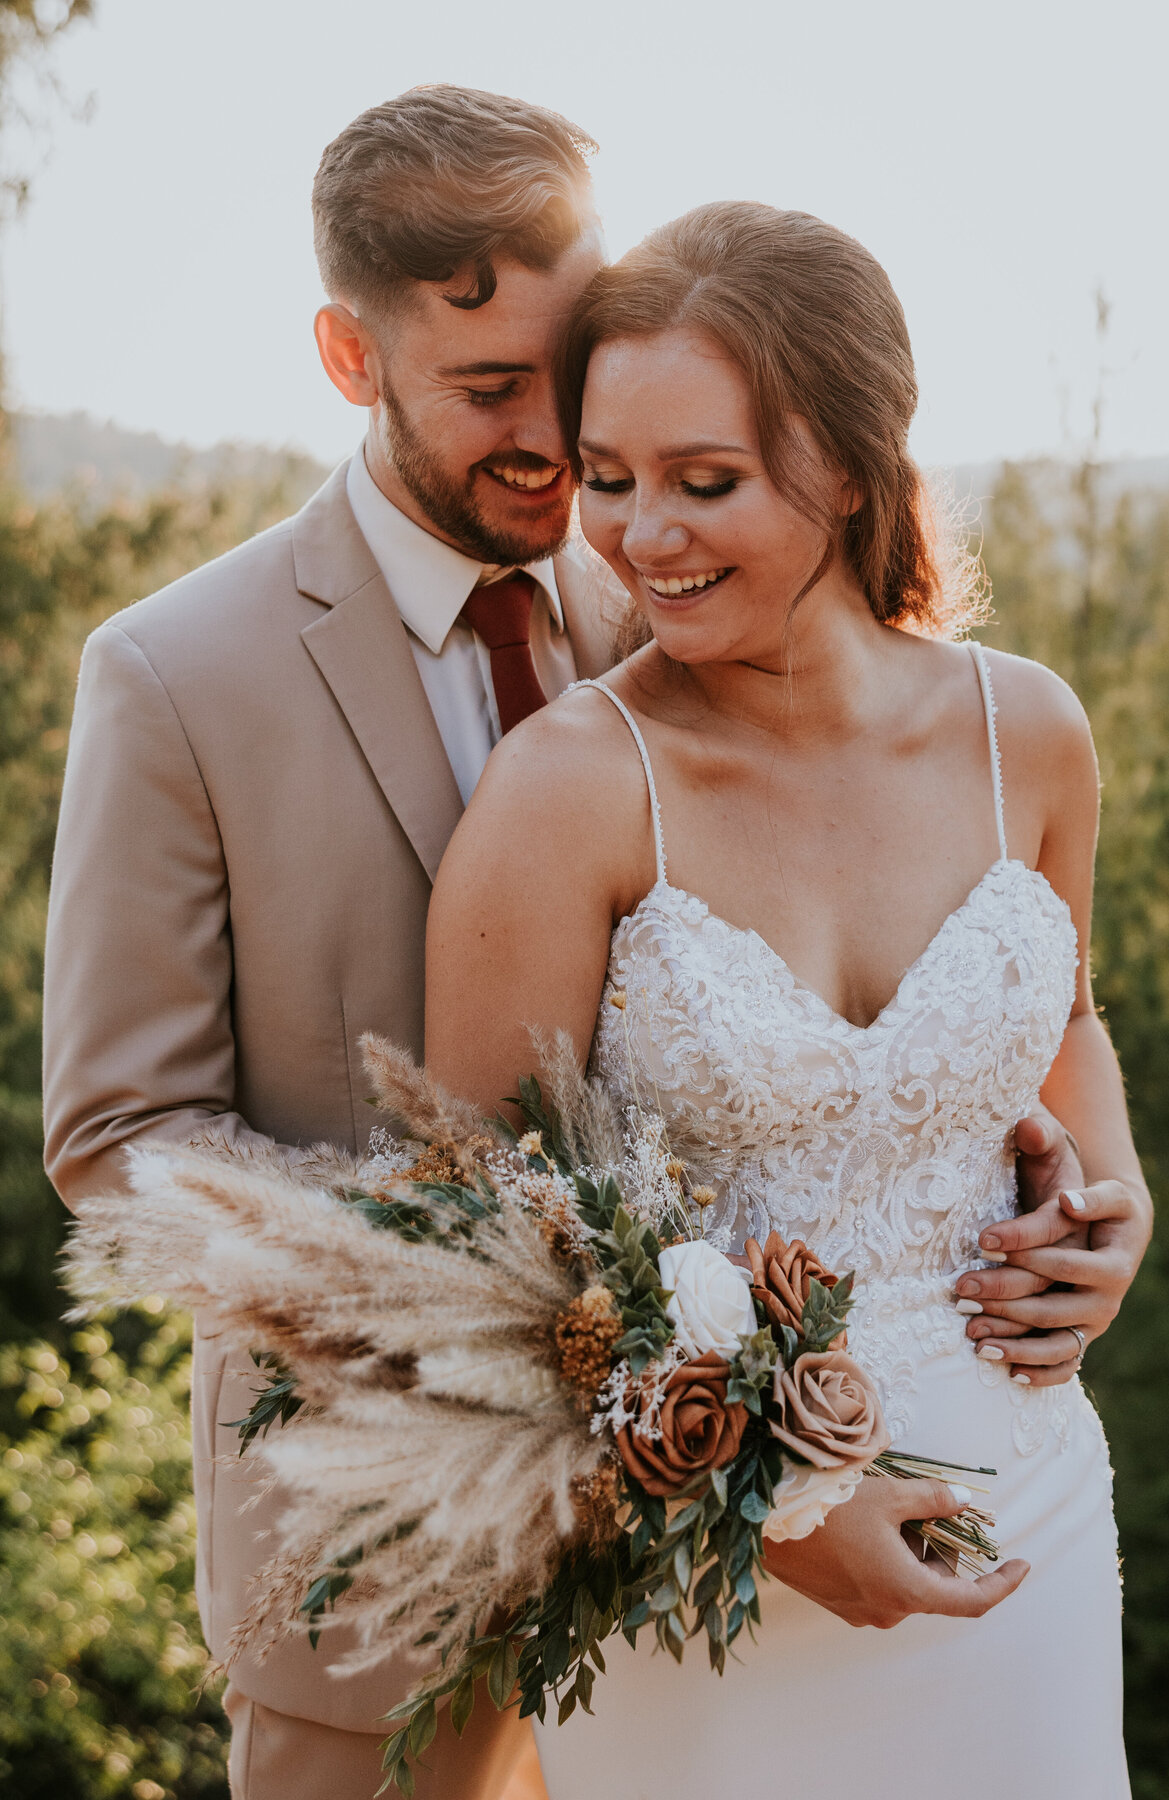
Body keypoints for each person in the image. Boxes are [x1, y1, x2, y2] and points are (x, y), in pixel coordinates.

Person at [424, 202, 1152, 1796]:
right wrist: (777, 1514)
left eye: (706, 482)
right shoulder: (572, 791)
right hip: (709, 1581)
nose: (640, 536)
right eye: (608, 480)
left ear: (851, 468)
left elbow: (1071, 1019)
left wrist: (1121, 1200)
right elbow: (471, 1221)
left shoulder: (1024, 731)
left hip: (1022, 1507)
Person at [42, 85, 616, 1800]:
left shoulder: (669, 588)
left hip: (709, 1591)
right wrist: (444, 1309)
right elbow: (118, 1135)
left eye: (571, 364)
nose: (556, 434)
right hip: (366, 1577)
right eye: (490, 389)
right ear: (347, 360)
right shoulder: (172, 677)